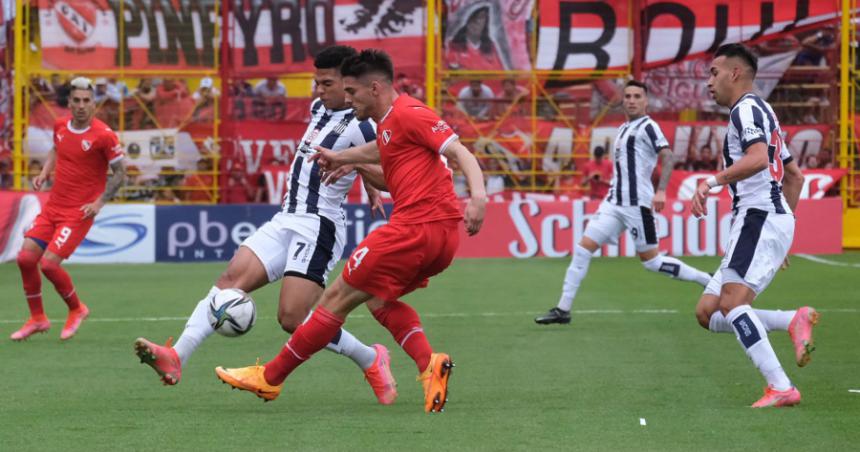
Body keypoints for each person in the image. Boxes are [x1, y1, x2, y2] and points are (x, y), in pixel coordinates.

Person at [214, 49, 488, 413]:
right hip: (441, 238)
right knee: (378, 299)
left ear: (374, 88)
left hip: (413, 230)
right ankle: (429, 365)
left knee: (336, 297)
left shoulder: (410, 112)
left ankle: (270, 377)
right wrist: (344, 158)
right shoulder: (391, 123)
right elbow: (383, 150)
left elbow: (460, 152)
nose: (347, 99)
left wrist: (478, 197)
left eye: (353, 93)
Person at [132, 46, 399, 406]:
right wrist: (364, 180)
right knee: (229, 282)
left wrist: (362, 173)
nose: (317, 90)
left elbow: (389, 171)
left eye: (327, 82)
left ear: (349, 82)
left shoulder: (365, 123)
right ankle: (176, 356)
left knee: (293, 318)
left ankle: (371, 357)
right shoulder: (320, 108)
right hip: (285, 217)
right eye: (315, 82)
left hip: (319, 225)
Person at [691, 43, 816, 408]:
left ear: (735, 73)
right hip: (767, 219)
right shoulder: (764, 111)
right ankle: (791, 319)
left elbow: (759, 159)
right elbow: (794, 177)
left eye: (714, 73)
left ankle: (781, 387)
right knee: (708, 312)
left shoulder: (743, 110)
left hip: (758, 216)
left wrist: (711, 182)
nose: (708, 82)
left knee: (731, 304)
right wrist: (786, 232)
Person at [535, 80, 712, 325]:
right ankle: (563, 309)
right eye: (627, 96)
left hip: (637, 204)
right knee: (583, 248)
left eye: (637, 96)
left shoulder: (649, 126)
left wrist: (661, 192)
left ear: (646, 101)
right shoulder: (622, 129)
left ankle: (707, 280)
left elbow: (668, 156)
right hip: (613, 202)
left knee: (652, 262)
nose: (631, 100)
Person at [11, 77, 126, 341]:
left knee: (49, 265)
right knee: (25, 259)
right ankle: (37, 318)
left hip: (78, 213)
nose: (82, 105)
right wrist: (44, 172)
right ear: (70, 103)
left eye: (87, 101)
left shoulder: (104, 135)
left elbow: (121, 174)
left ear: (93, 104)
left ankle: (77, 309)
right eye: (77, 100)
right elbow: (56, 148)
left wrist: (98, 203)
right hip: (53, 207)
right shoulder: (60, 125)